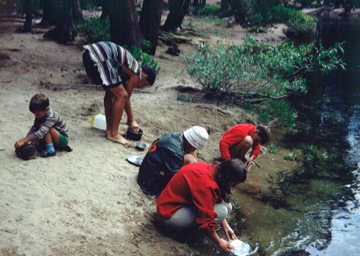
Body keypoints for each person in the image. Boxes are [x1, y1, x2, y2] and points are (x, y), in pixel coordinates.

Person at [156, 159, 247, 253]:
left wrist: (226, 227)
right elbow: (206, 221)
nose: (234, 186)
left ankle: (197, 230)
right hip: (169, 215)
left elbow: (213, 200)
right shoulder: (206, 184)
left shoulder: (214, 169)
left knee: (228, 206)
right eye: (234, 183)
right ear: (227, 177)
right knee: (222, 211)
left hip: (175, 204)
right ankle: (191, 234)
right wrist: (219, 241)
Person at [82, 41, 157, 146]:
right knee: (121, 95)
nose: (140, 87)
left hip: (89, 54)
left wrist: (129, 119)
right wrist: (132, 121)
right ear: (144, 77)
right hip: (100, 56)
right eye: (144, 84)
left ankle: (110, 130)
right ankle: (114, 134)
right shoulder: (137, 73)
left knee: (111, 94)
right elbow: (126, 98)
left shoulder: (130, 68)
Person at [137, 126, 209, 197]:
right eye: (194, 147)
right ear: (189, 142)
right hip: (148, 182)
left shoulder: (172, 135)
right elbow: (173, 179)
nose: (194, 150)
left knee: (191, 156)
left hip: (146, 171)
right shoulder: (175, 152)